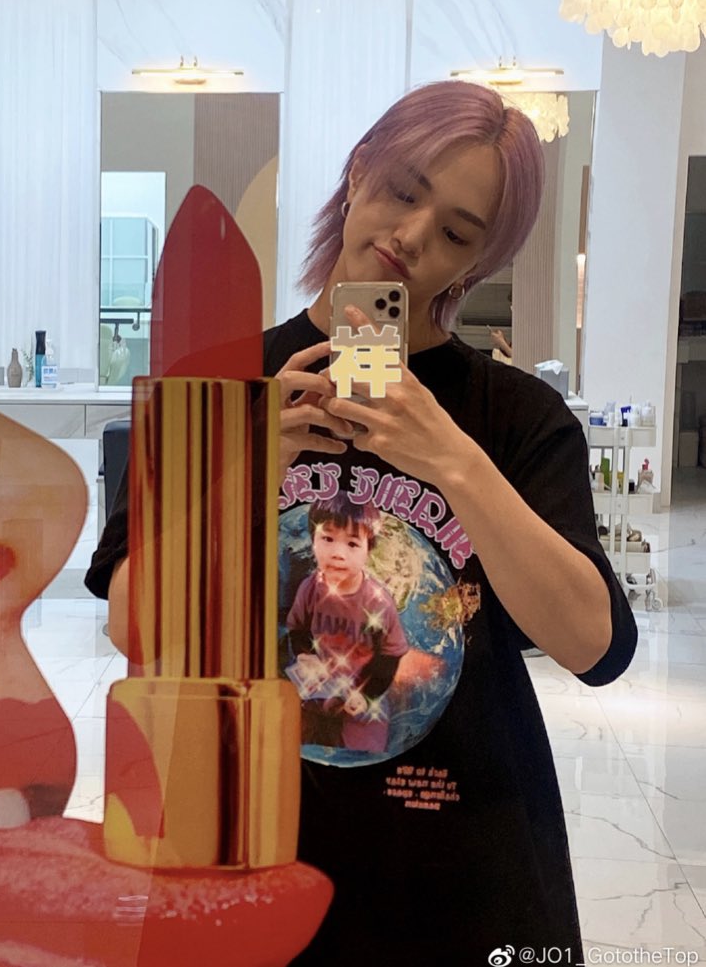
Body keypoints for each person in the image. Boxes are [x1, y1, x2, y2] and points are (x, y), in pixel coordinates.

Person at [87, 79, 637, 965]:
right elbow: (133, 624)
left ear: (478, 263)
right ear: (357, 172)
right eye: (403, 189)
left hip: (461, 864)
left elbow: (595, 647)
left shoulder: (513, 416)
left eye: (456, 233)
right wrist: (246, 463)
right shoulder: (214, 381)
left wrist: (452, 458)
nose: (411, 236)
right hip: (246, 835)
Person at [285, 492, 408, 752]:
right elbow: (298, 629)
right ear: (313, 540)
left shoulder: (378, 602)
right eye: (327, 538)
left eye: (352, 544)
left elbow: (389, 656)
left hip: (360, 695)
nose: (338, 553)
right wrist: (305, 655)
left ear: (368, 550)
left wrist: (366, 696)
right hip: (317, 688)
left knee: (363, 754)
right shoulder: (310, 588)